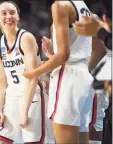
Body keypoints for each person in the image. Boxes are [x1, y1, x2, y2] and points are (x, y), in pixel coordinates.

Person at [24, 1, 95, 143]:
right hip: (84, 76)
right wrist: (53, 54)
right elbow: (74, 49)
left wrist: (33, 73)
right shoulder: (83, 6)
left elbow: (64, 56)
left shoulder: (60, 5)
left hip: (68, 78)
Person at [0, 1, 54, 143]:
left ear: (18, 17)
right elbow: (2, 81)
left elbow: (32, 77)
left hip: (33, 98)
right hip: (11, 98)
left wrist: (24, 112)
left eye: (12, 13)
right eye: (4, 13)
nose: (9, 16)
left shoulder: (26, 38)